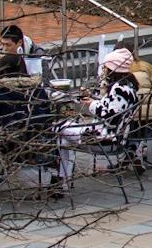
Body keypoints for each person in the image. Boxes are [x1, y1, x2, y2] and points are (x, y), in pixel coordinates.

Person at [59, 48, 142, 182]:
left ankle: (61, 179)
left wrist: (91, 105)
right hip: (114, 136)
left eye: (106, 67)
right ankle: (61, 180)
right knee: (62, 139)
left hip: (106, 138)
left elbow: (109, 115)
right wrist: (94, 101)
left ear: (113, 69)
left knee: (61, 128)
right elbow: (112, 107)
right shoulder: (128, 86)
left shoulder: (119, 89)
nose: (104, 71)